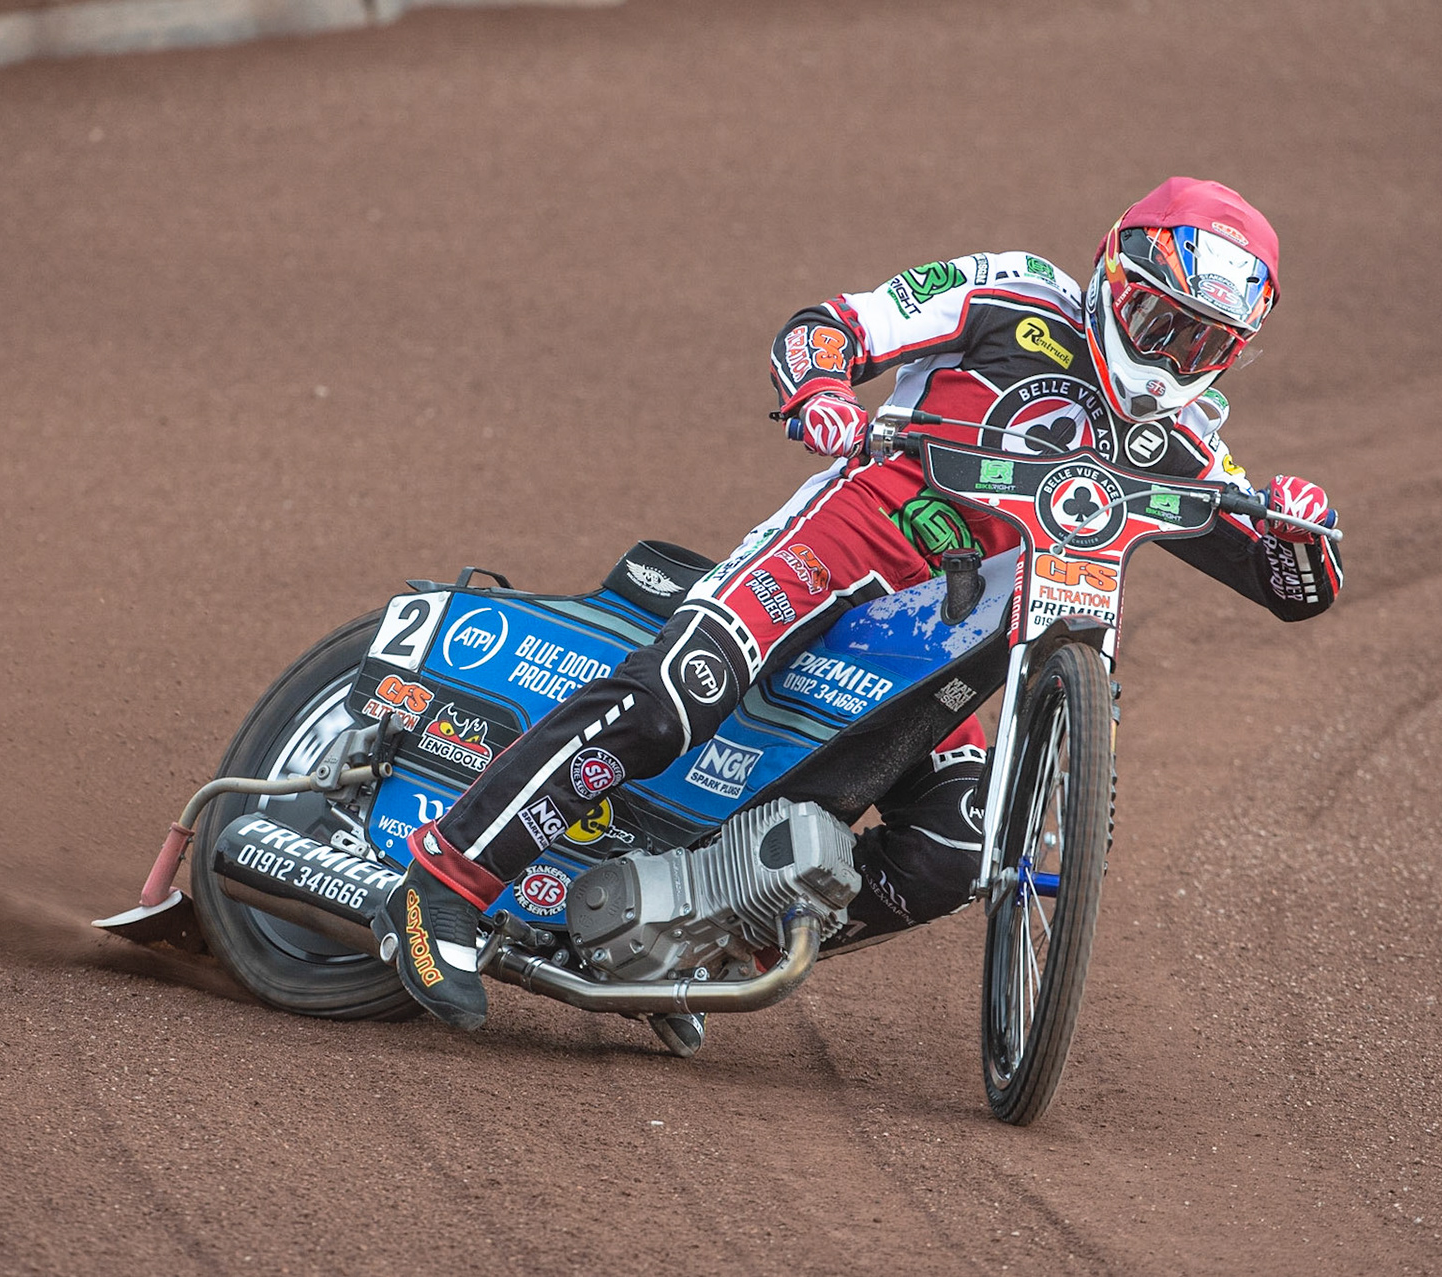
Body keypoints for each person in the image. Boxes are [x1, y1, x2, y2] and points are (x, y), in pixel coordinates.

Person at [377, 176, 1343, 1029]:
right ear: (1111, 277)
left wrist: (1300, 530)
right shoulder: (1012, 292)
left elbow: (1291, 588)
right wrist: (822, 392)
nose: (1173, 357)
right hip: (834, 554)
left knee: (960, 845)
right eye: (1160, 323)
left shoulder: (1184, 443)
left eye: (1205, 344)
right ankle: (445, 881)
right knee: (680, 695)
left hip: (936, 659)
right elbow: (831, 326)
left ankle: (707, 945)